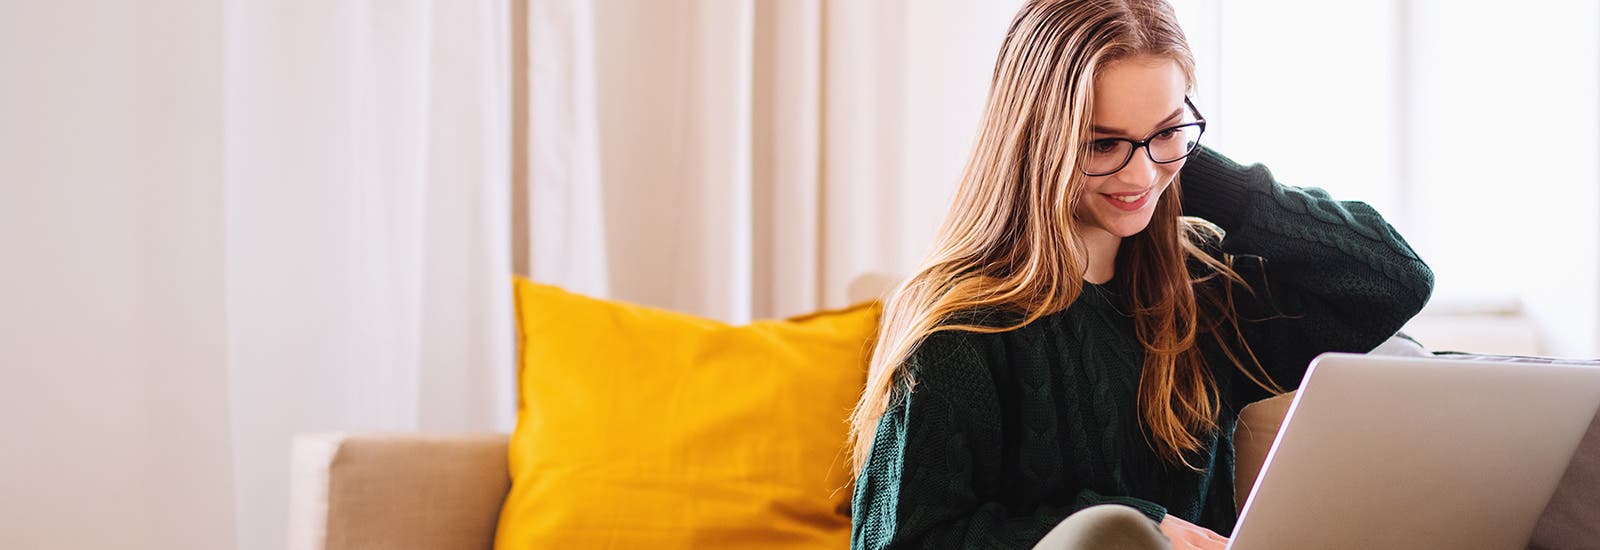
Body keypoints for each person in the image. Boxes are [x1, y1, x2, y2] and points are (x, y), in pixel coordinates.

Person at [845, 0, 1435, 548]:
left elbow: (1394, 279)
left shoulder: (1202, 289)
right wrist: (1129, 527)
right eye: (1102, 144)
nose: (1138, 178)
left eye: (1168, 131)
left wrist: (1191, 173)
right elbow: (904, 539)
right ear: (1035, 142)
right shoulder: (963, 327)